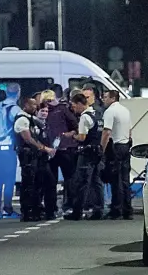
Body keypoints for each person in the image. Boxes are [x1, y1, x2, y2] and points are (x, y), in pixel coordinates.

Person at [63, 93, 105, 221]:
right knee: (97, 182)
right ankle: (98, 210)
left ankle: (77, 211)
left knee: (81, 182)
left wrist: (72, 136)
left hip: (86, 153)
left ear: (81, 104)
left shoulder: (84, 117)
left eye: (75, 106)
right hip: (96, 152)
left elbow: (82, 137)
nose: (74, 109)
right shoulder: (97, 115)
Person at [14, 97, 56, 222]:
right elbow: (28, 139)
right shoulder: (22, 120)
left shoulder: (31, 119)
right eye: (33, 105)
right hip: (27, 156)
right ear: (25, 105)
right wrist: (44, 148)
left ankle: (37, 209)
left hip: (34, 157)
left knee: (37, 183)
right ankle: (27, 212)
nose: (35, 107)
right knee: (28, 184)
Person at [42, 89, 78, 214]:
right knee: (54, 180)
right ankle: (54, 208)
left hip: (62, 148)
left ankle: (66, 206)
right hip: (54, 149)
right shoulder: (57, 110)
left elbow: (74, 125)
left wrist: (70, 134)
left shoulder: (61, 109)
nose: (49, 103)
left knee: (66, 179)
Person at [0, 83, 21, 219]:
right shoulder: (15, 109)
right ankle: (7, 208)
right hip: (8, 146)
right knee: (9, 179)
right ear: (18, 93)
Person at [101, 90, 134, 220]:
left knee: (115, 180)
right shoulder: (125, 110)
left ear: (113, 98)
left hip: (115, 147)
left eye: (105, 97)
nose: (103, 99)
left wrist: (101, 149)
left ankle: (116, 209)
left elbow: (106, 132)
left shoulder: (110, 111)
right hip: (126, 145)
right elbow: (130, 130)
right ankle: (127, 209)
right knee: (125, 180)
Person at [34, 102, 57, 219]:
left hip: (45, 159)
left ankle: (48, 210)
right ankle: (41, 210)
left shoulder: (46, 125)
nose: (44, 113)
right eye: (42, 111)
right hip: (37, 159)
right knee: (42, 185)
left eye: (46, 111)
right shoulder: (34, 124)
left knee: (48, 184)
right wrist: (46, 149)